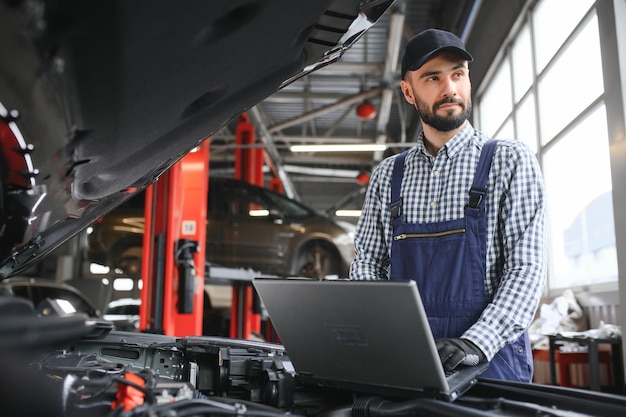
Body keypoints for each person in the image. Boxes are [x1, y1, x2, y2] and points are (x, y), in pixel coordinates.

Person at [349, 28, 546, 382]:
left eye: (457, 74)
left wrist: (474, 344)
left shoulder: (509, 161)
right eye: (433, 78)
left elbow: (526, 269)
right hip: (407, 362)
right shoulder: (387, 176)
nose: (450, 89)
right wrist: (389, 336)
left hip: (490, 364)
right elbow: (367, 266)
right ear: (409, 91)